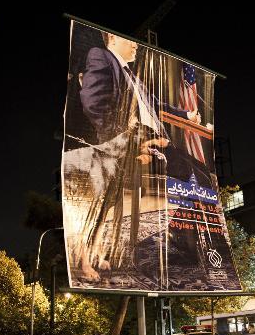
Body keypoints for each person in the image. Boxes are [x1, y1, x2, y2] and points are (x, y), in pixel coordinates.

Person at [75, 32, 209, 280]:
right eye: (130, 40)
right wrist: (122, 138)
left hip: (153, 141)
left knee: (200, 176)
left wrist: (187, 116)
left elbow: (157, 104)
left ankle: (182, 239)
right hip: (124, 144)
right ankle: (87, 259)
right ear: (112, 39)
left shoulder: (131, 75)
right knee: (102, 206)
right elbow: (93, 101)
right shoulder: (101, 57)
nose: (136, 44)